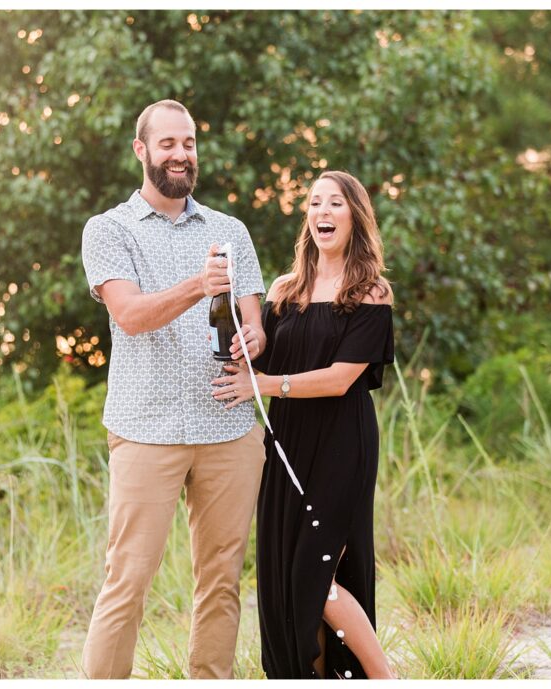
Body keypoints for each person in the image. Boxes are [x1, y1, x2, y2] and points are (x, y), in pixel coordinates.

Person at [79, 99, 268, 679]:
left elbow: (254, 320)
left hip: (228, 427)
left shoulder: (229, 230)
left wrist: (253, 340)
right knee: (128, 578)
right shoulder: (108, 230)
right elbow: (131, 315)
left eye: (187, 143)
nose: (180, 154)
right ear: (142, 152)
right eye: (167, 144)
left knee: (222, 578)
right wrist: (196, 284)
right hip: (145, 430)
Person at [211, 170, 397, 679]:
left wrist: (264, 386)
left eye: (335, 203)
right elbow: (263, 356)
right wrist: (249, 343)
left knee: (314, 578)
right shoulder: (284, 289)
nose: (322, 212)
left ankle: (385, 678)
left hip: (341, 448)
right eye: (315, 203)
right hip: (287, 445)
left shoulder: (372, 293)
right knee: (282, 585)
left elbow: (340, 380)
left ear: (354, 216)